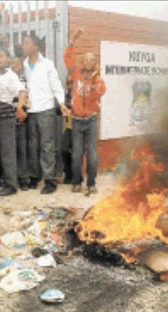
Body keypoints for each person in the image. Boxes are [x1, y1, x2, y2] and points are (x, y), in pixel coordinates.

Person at [22, 34, 68, 194]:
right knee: (33, 145)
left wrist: (62, 103)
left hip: (46, 109)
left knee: (47, 145)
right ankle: (34, 176)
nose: (24, 46)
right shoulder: (25, 65)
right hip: (31, 111)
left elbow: (56, 85)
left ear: (36, 47)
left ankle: (50, 180)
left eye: (27, 43)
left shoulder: (47, 64)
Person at [64, 28, 106, 196]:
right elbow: (68, 58)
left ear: (95, 63)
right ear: (82, 61)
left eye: (92, 59)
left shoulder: (99, 79)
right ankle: (76, 182)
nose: (88, 61)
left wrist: (94, 78)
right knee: (76, 154)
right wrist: (72, 40)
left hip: (90, 121)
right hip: (76, 119)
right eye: (86, 59)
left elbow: (99, 93)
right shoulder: (76, 73)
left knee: (92, 155)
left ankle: (91, 183)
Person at [0, 48, 27, 196]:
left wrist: (20, 106)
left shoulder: (11, 76)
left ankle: (11, 185)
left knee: (7, 152)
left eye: (1, 56)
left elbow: (21, 91)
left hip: (6, 118)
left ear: (8, 60)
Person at [10, 56, 29, 190]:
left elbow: (28, 98)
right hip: (8, 118)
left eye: (18, 63)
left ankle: (23, 179)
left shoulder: (26, 81)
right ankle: (11, 178)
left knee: (22, 150)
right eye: (13, 63)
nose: (16, 65)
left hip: (22, 119)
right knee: (9, 151)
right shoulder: (7, 78)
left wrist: (23, 112)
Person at [60, 76, 74, 185]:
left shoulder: (81, 95)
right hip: (69, 128)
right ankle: (68, 173)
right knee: (64, 149)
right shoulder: (64, 97)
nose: (69, 86)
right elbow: (57, 110)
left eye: (72, 83)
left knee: (77, 153)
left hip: (81, 129)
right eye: (68, 83)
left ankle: (75, 175)